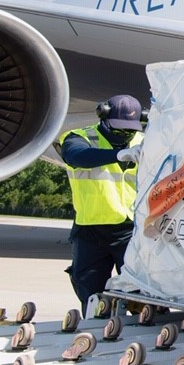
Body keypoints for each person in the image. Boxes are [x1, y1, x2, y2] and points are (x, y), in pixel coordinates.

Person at [57, 94, 145, 312]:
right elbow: (77, 156)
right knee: (91, 295)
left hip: (131, 232)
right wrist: (120, 154)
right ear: (103, 117)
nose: (123, 134)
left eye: (129, 130)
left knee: (143, 295)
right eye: (117, 129)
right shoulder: (79, 137)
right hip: (91, 231)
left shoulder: (144, 142)